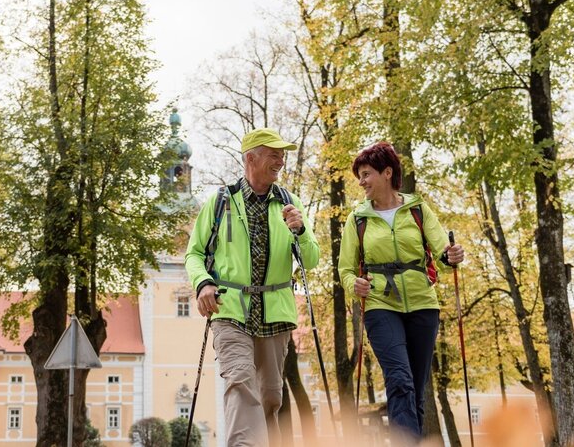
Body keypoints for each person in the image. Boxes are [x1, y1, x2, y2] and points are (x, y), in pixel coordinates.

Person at [185, 128, 321, 447]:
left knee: (271, 396)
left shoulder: (289, 203)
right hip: (230, 310)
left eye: (282, 154)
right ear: (251, 158)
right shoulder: (221, 202)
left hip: (275, 312)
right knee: (240, 382)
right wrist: (204, 282)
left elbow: (311, 259)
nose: (281, 160)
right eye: (273, 154)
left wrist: (300, 230)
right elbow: (193, 253)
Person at [338, 142, 465, 443]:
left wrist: (452, 256)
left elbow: (442, 252)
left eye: (366, 174)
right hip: (380, 304)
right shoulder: (357, 219)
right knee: (400, 380)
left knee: (416, 390)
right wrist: (352, 284)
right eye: (359, 176)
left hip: (422, 305)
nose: (361, 182)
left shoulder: (417, 209)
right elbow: (344, 269)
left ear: (387, 172)